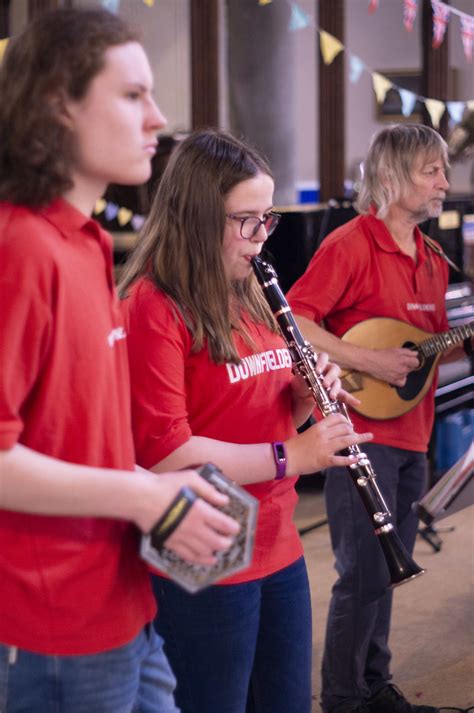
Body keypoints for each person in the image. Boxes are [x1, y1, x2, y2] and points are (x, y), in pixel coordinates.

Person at [0, 9, 240, 713]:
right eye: (133, 95)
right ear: (56, 103)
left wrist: (159, 486)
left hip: (125, 606)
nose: (158, 118)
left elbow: (72, 436)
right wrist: (145, 495)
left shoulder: (89, 244)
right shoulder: (20, 247)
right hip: (53, 628)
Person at [119, 128, 373, 713]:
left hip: (276, 537)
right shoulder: (154, 305)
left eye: (268, 219)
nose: (262, 238)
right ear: (196, 216)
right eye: (246, 220)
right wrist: (294, 456)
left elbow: (262, 402)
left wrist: (309, 400)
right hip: (201, 541)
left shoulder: (251, 288)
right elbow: (163, 451)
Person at [287, 124, 469, 713]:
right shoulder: (351, 243)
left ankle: (374, 685)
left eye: (444, 170)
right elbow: (293, 321)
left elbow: (428, 347)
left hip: (413, 434)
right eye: (431, 171)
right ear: (391, 176)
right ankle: (343, 697)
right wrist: (367, 359)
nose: (445, 181)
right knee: (362, 573)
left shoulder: (434, 258)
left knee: (393, 571)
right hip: (357, 433)